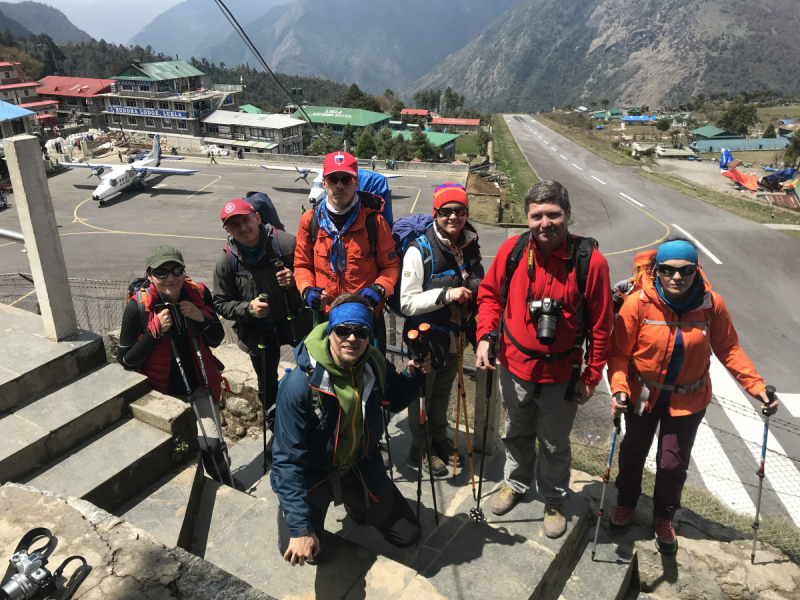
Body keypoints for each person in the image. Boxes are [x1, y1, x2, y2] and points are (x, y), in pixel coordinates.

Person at [607, 239, 778, 553]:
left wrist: (757, 387)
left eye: (685, 270)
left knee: (673, 464)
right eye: (668, 270)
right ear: (657, 271)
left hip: (689, 400)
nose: (677, 277)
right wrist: (619, 387)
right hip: (642, 395)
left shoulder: (711, 304)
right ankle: (625, 503)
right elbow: (618, 353)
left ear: (695, 269)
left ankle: (663, 517)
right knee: (632, 452)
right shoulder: (639, 303)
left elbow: (729, 349)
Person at [475, 181, 612, 538]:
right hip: (515, 364)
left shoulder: (590, 262)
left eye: (553, 214)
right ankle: (515, 483)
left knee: (554, 441)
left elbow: (601, 326)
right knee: (516, 431)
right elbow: (489, 297)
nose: (544, 223)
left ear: (568, 215)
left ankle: (553, 497)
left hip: (562, 372)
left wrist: (591, 376)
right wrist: (486, 337)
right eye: (536, 216)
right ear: (527, 218)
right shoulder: (513, 250)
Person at [271, 293, 431, 566]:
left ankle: (357, 504)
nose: (352, 338)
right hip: (314, 471)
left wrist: (412, 376)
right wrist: (300, 528)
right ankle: (297, 513)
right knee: (300, 548)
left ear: (369, 335)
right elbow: (286, 460)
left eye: (361, 331)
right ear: (330, 330)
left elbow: (392, 399)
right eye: (343, 330)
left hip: (359, 463)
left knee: (408, 535)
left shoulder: (374, 363)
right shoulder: (299, 385)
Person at [118, 246, 234, 485]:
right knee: (178, 455)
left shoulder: (198, 294)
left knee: (212, 446)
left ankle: (225, 484)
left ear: (183, 272)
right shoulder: (137, 307)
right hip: (162, 395)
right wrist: (153, 333)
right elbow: (125, 361)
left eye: (176, 270)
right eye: (161, 272)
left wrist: (201, 318)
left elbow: (216, 339)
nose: (170, 278)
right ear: (149, 275)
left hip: (200, 385)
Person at [399, 183, 484, 476]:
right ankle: (420, 447)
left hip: (455, 336)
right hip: (425, 338)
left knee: (442, 394)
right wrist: (448, 295)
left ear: (466, 213)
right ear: (435, 214)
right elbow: (407, 303)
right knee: (421, 394)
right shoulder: (419, 249)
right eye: (445, 211)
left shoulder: (470, 242)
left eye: (459, 211)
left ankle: (438, 438)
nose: (453, 217)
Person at [213, 199, 305, 456]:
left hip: (295, 321)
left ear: (257, 217)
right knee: (267, 384)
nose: (243, 228)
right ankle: (278, 430)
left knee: (310, 371)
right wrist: (247, 309)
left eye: (246, 220)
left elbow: (315, 279)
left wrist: (295, 281)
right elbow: (220, 303)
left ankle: (309, 420)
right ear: (227, 230)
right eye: (234, 225)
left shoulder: (286, 244)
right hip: (259, 331)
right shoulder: (226, 262)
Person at [294, 151, 400, 354]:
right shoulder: (310, 221)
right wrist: (307, 289)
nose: (339, 185)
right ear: (324, 183)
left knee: (371, 380)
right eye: (333, 179)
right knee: (327, 381)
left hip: (365, 317)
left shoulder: (375, 223)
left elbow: (391, 266)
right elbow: (301, 264)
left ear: (356, 183)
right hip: (327, 318)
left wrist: (379, 288)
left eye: (346, 179)